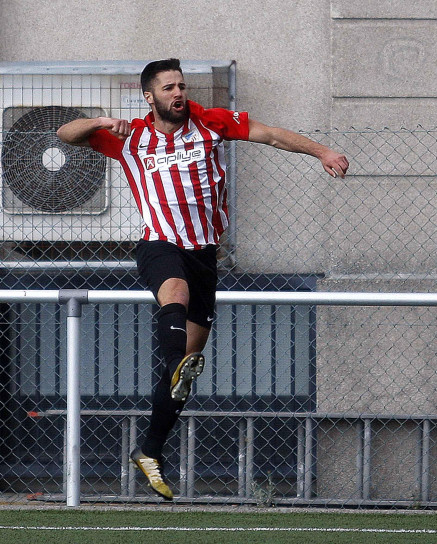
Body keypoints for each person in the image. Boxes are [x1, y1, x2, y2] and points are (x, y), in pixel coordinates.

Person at [56, 58, 349, 500]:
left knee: (185, 373)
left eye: (181, 86)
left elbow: (270, 135)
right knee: (173, 294)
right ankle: (175, 364)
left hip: (204, 255)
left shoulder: (209, 123)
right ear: (148, 96)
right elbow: (64, 134)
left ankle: (150, 450)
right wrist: (99, 120)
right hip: (160, 245)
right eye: (168, 87)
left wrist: (322, 152)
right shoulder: (131, 137)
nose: (178, 93)